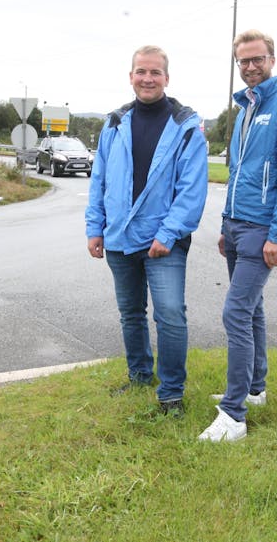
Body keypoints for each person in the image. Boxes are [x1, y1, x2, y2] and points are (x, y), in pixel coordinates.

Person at [198, 29, 277, 441]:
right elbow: (237, 173)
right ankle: (254, 388)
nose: (249, 67)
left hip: (263, 228)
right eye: (243, 61)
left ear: (272, 60)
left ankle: (233, 416)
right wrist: (226, 224)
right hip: (237, 225)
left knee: (235, 312)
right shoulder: (245, 110)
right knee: (253, 309)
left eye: (256, 59)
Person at [86, 45, 209, 416]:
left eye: (155, 72)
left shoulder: (186, 126)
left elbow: (192, 190)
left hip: (163, 243)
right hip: (120, 238)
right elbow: (99, 180)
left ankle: (171, 392)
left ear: (167, 78)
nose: (148, 78)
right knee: (131, 313)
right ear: (131, 76)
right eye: (141, 71)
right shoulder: (114, 123)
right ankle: (140, 374)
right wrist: (96, 228)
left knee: (170, 314)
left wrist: (167, 235)